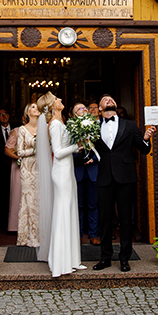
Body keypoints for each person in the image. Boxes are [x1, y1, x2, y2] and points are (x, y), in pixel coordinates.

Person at [93, 95, 154, 273]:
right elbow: (89, 151)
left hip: (126, 177)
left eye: (111, 99)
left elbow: (144, 149)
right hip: (104, 177)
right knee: (104, 219)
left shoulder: (130, 125)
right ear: (100, 108)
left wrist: (146, 138)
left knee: (126, 219)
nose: (109, 100)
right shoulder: (93, 127)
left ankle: (125, 258)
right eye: (105, 99)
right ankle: (105, 257)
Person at [35, 92, 85, 278]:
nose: (61, 100)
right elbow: (57, 152)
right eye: (57, 99)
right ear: (51, 105)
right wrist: (77, 147)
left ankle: (72, 260)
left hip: (67, 171)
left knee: (70, 213)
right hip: (61, 172)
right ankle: (60, 263)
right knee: (63, 214)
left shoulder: (60, 122)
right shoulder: (55, 125)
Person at [71, 103, 99, 245]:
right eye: (80, 108)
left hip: (93, 170)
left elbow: (102, 148)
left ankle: (94, 234)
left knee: (93, 204)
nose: (85, 110)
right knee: (78, 205)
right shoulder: (70, 129)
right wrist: (79, 158)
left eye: (85, 108)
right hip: (78, 170)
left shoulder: (96, 126)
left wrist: (94, 159)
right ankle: (78, 234)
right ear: (75, 114)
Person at [14, 103, 40, 247]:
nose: (36, 109)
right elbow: (20, 152)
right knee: (29, 199)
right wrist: (35, 150)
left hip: (41, 167)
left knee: (40, 199)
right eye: (33, 107)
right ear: (28, 112)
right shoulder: (23, 130)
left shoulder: (45, 128)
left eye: (37, 107)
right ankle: (28, 236)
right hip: (27, 169)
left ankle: (41, 235)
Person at [4, 127, 22, 234]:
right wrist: (19, 158)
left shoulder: (41, 130)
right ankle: (15, 226)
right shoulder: (16, 131)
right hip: (18, 167)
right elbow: (7, 150)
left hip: (34, 166)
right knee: (17, 194)